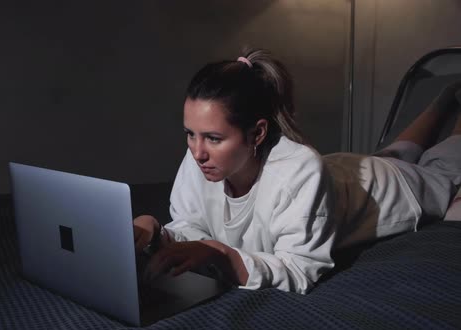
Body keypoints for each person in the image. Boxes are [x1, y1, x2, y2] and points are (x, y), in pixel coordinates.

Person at [133, 49, 461, 294]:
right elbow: (195, 225)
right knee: (395, 152)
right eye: (191, 133)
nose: (197, 151)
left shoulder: (298, 171)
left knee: (445, 164)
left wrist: (219, 254)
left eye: (214, 138)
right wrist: (159, 233)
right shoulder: (200, 158)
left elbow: (299, 270)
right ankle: (444, 97)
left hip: (390, 190)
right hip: (343, 174)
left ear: (257, 134)